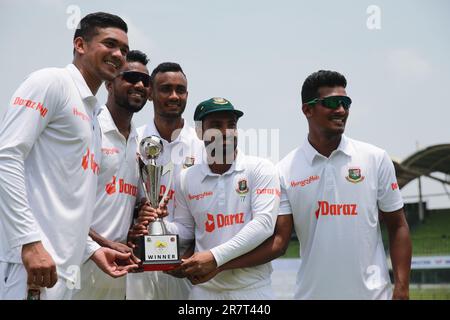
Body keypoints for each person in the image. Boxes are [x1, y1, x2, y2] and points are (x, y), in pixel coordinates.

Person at [0, 12, 138, 300]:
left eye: (124, 50)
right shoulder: (51, 82)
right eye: (109, 44)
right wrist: (29, 242)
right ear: (80, 44)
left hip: (63, 269)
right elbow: (6, 157)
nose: (118, 55)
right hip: (29, 264)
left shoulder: (94, 113)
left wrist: (93, 250)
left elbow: (71, 197)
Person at [276, 70, 412, 299]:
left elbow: (398, 225)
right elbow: (279, 241)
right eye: (331, 102)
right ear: (307, 109)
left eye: (345, 102)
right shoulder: (283, 170)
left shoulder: (375, 158)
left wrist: (402, 286)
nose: (341, 109)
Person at [141, 97, 281, 300]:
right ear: (199, 132)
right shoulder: (186, 178)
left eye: (231, 125)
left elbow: (264, 225)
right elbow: (186, 231)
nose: (225, 132)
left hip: (252, 290)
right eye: (216, 125)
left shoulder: (260, 168)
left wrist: (215, 258)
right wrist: (156, 224)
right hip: (204, 292)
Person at [72, 50, 151, 300]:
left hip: (115, 269)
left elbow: (133, 203)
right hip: (76, 262)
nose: (139, 85)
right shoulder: (87, 127)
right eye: (130, 77)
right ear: (109, 83)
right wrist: (102, 243)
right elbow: (63, 202)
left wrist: (144, 215)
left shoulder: (139, 142)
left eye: (145, 81)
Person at [125, 62, 204, 300]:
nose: (174, 96)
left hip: (186, 263)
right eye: (165, 89)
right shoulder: (131, 139)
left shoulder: (201, 146)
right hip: (138, 261)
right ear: (149, 93)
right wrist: (137, 217)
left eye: (180, 90)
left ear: (187, 95)